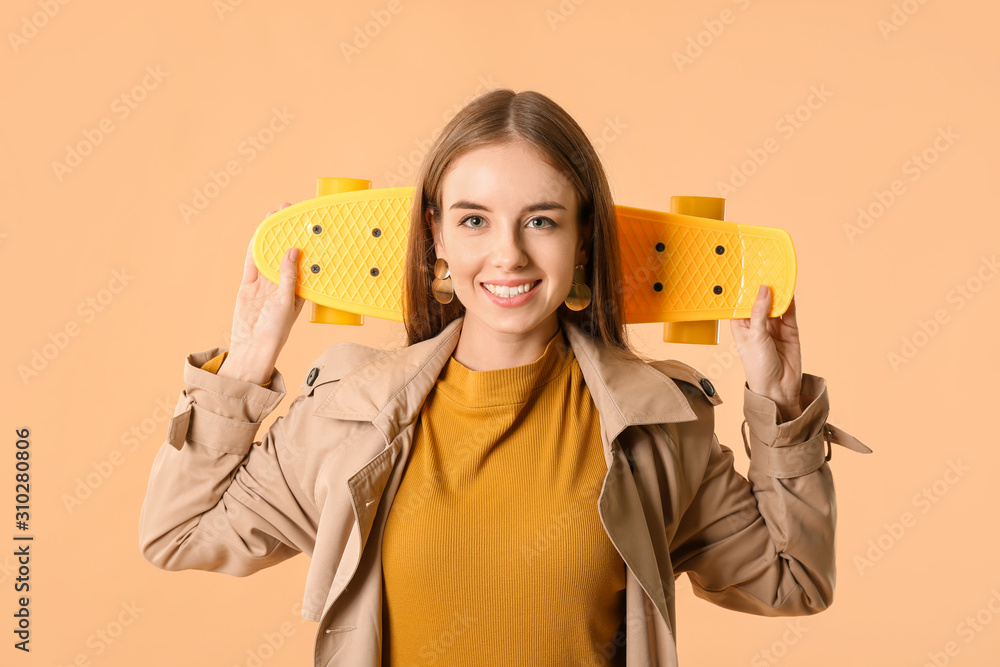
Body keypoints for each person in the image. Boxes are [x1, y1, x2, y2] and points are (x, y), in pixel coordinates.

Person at [138, 89, 871, 667]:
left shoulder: (653, 426)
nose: (509, 255)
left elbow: (795, 579)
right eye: (475, 220)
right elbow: (177, 532)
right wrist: (244, 366)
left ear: (583, 236)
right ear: (436, 236)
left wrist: (779, 405)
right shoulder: (346, 418)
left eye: (542, 221)